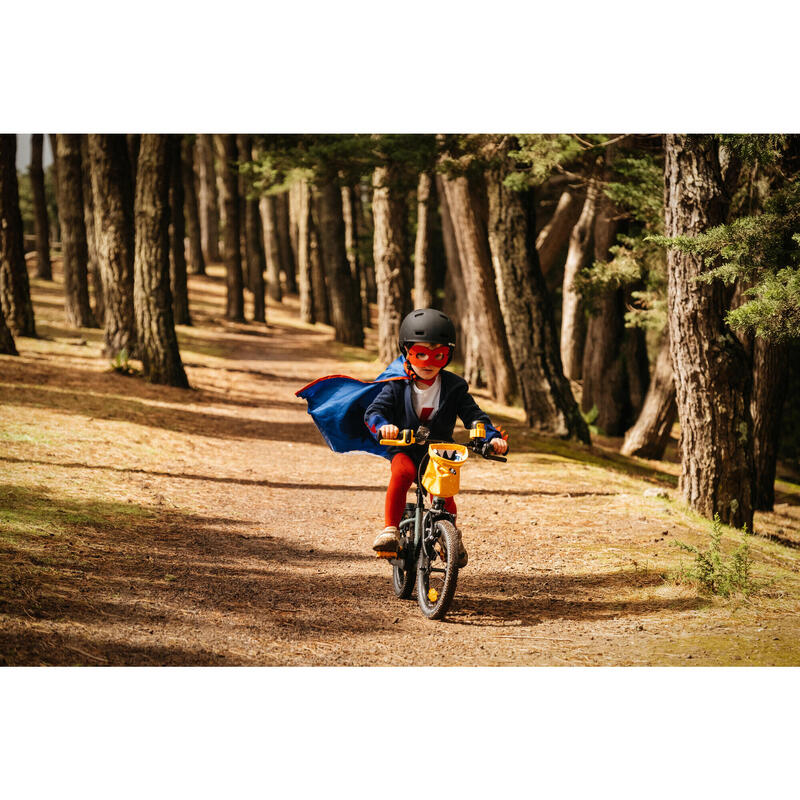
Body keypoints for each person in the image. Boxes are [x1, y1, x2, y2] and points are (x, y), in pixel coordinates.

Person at [365, 308, 509, 566]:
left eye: (438, 355)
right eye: (420, 354)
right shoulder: (396, 384)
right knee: (401, 473)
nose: (428, 362)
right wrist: (383, 426)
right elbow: (376, 411)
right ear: (406, 352)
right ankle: (390, 530)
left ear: (448, 355)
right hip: (404, 448)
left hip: (439, 451)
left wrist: (490, 439)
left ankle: (449, 536)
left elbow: (475, 416)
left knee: (444, 490)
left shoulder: (454, 387)